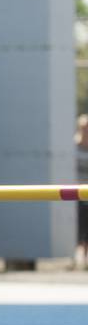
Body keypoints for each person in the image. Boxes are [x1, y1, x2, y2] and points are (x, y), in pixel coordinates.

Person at [75, 114, 88, 269]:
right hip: (76, 191)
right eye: (85, 128)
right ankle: (81, 258)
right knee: (81, 226)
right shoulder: (74, 146)